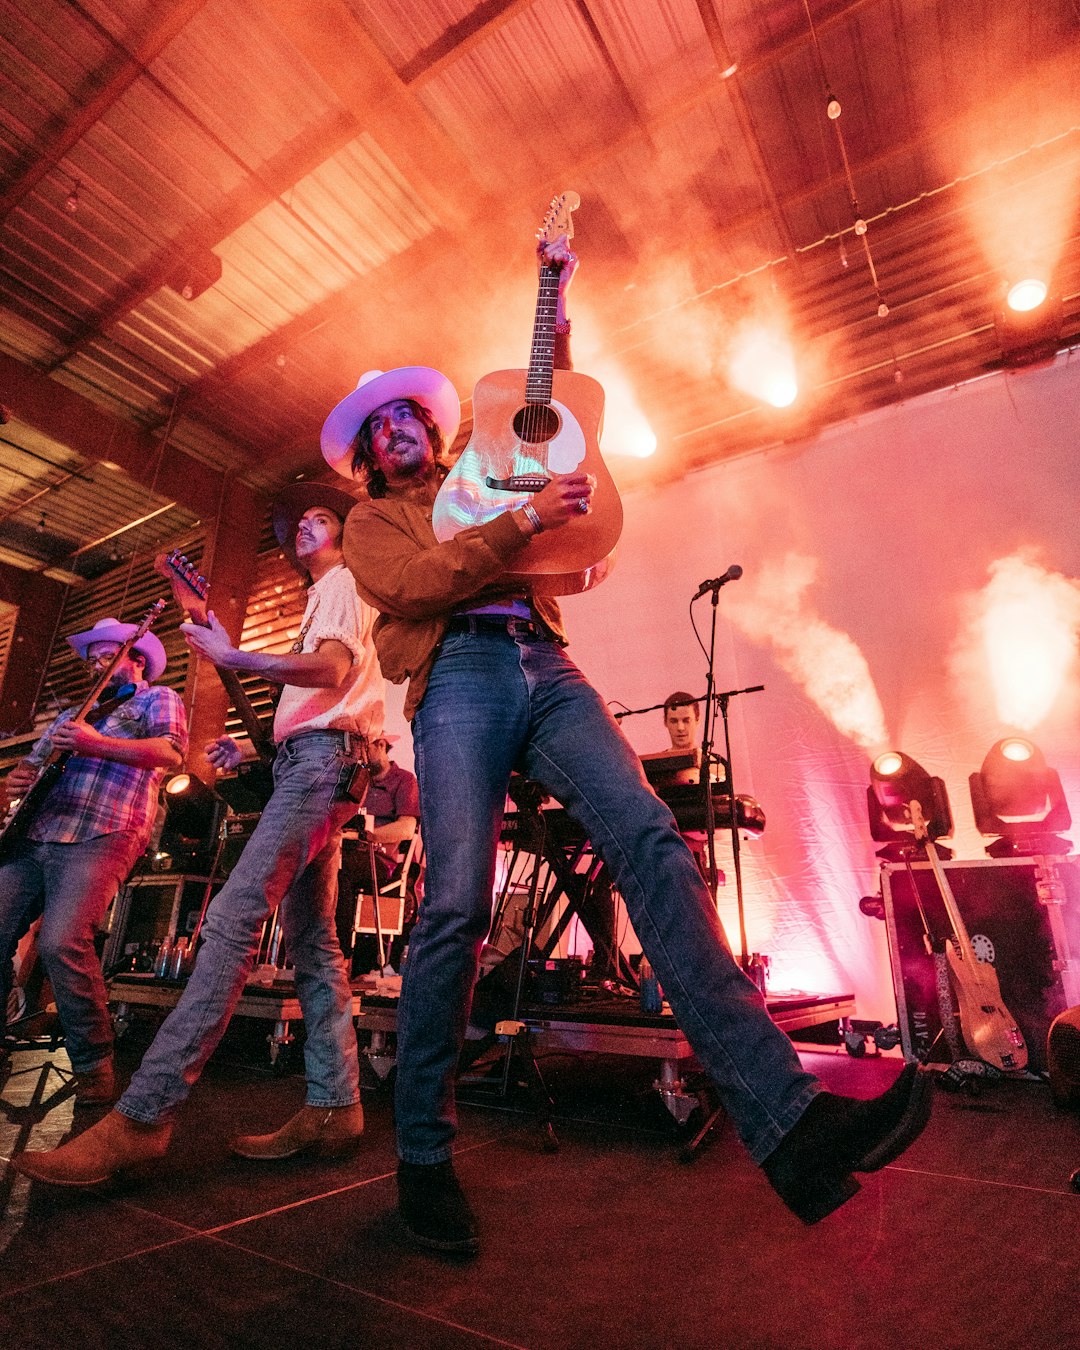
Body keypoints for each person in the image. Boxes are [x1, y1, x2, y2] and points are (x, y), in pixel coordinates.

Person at [322, 232, 934, 1256]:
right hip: (458, 676)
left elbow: (552, 454)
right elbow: (422, 588)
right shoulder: (368, 525)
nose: (393, 432)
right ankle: (422, 1158)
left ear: (431, 428)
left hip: (545, 665)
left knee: (652, 842)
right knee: (456, 908)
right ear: (364, 455)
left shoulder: (483, 466)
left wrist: (554, 309)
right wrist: (521, 537)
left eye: (405, 415)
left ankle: (794, 1126)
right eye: (374, 428)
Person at [15, 482, 385, 1184]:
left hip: (322, 768)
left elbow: (334, 672)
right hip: (322, 766)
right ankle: (337, 1107)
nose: (307, 525)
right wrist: (249, 745)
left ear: (344, 534)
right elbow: (325, 697)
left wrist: (238, 658)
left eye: (322, 517)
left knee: (231, 921)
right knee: (315, 947)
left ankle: (144, 1115)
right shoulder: (320, 602)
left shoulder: (343, 580)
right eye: (299, 520)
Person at [0, 619, 187, 1106]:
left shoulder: (157, 698)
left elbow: (170, 752)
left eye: (107, 656)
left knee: (63, 940)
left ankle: (92, 1064)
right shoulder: (73, 715)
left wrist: (95, 743)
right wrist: (18, 779)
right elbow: (31, 766)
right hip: (37, 833)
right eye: (93, 660)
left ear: (136, 659)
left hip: (104, 830)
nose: (97, 665)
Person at [339, 733, 420, 972]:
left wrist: (367, 834)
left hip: (381, 861)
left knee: (340, 869)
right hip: (350, 851)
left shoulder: (404, 780)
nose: (360, 754)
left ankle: (341, 953)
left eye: (364, 747)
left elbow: (407, 828)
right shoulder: (359, 779)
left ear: (382, 745)